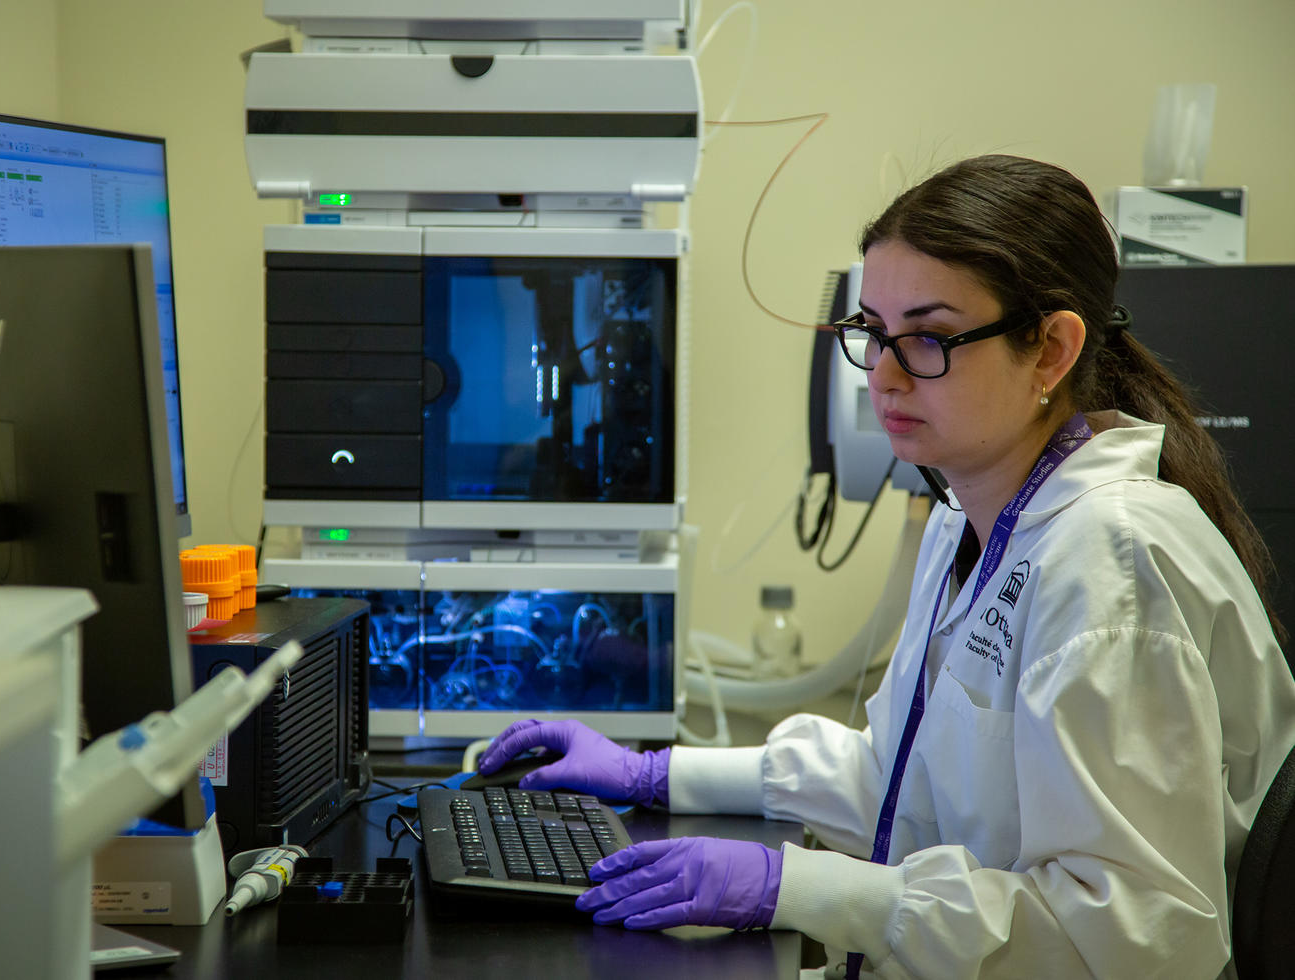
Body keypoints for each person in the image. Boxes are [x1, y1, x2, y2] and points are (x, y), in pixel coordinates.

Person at [478, 154, 1295, 979]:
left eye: (931, 338)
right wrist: (654, 773)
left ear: (1050, 350)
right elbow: (896, 776)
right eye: (872, 332)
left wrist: (790, 884)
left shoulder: (1111, 564)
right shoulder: (964, 521)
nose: (886, 376)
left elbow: (1138, 939)